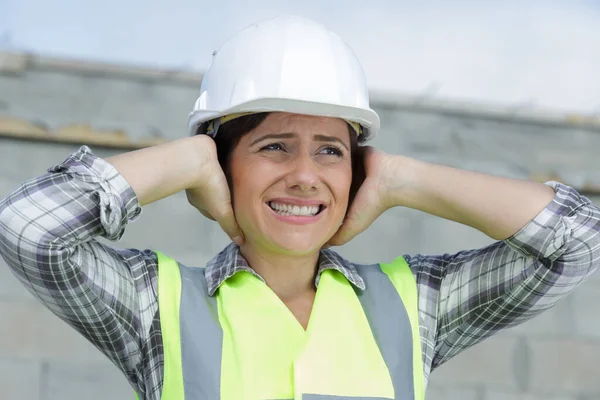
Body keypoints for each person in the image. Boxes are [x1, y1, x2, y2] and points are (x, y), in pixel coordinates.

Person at [0, 15, 598, 400]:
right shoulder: (153, 305)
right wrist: (187, 161)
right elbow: (29, 229)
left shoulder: (416, 305)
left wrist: (402, 178)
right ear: (222, 160)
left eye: (331, 151)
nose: (305, 176)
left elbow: (577, 239)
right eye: (273, 147)